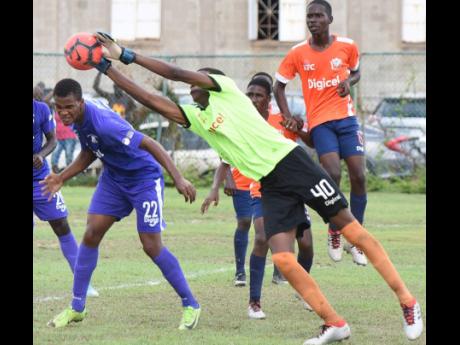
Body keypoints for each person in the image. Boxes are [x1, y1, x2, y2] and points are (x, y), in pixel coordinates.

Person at [90, 32, 423, 344]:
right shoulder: (197, 117)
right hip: (271, 185)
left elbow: (176, 72)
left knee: (352, 230)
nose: (191, 86)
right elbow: (149, 98)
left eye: (197, 81)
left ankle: (407, 301)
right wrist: (108, 69)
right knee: (283, 258)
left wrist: (126, 55)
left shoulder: (226, 90)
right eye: (191, 85)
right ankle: (335, 323)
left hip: (292, 163)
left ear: (210, 82)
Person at [41, 79, 201, 330]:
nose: (63, 113)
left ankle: (190, 304)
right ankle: (77, 307)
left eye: (69, 107)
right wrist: (61, 177)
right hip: (114, 179)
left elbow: (149, 142)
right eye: (59, 108)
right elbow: (88, 152)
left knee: (151, 245)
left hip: (144, 179)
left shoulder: (105, 124)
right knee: (91, 233)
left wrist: (178, 177)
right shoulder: (79, 119)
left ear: (81, 103)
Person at [201, 75, 315, 319]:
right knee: (261, 236)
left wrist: (301, 128)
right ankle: (254, 302)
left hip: (292, 190)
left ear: (268, 99)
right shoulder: (240, 121)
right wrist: (220, 183)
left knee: (305, 245)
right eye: (249, 95)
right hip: (261, 189)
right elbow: (226, 154)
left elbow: (310, 142)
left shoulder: (281, 121)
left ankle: (305, 291)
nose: (252, 100)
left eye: (258, 95)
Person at [274, 0, 368, 266]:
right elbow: (278, 86)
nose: (312, 20)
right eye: (309, 16)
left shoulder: (347, 45)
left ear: (330, 19)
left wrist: (348, 82)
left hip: (347, 120)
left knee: (359, 175)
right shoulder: (298, 53)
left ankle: (357, 240)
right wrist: (287, 116)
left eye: (318, 16)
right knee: (333, 174)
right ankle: (335, 230)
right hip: (321, 123)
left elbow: (357, 70)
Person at [33, 99, 99, 298]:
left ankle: (83, 283)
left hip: (41, 178)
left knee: (61, 224)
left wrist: (41, 155)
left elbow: (52, 140)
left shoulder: (40, 109)